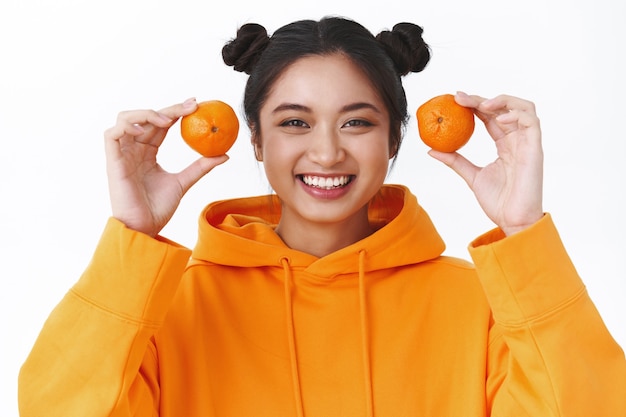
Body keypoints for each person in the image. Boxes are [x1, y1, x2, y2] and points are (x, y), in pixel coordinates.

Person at [18, 16, 626, 417]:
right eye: (294, 122)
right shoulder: (168, 307)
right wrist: (132, 237)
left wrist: (523, 233)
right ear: (255, 140)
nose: (328, 151)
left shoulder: (483, 304)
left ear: (394, 140)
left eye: (357, 121)